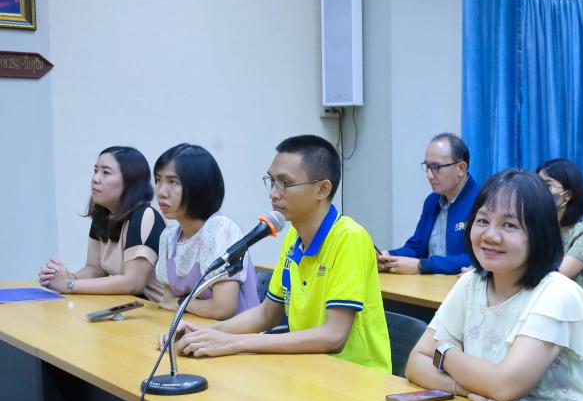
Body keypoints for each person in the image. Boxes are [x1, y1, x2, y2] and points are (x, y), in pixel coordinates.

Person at [405, 169, 583, 401]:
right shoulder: (471, 283)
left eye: (509, 225)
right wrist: (464, 389)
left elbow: (502, 385)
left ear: (539, 233)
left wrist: (443, 352)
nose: (490, 235)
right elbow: (415, 363)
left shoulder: (557, 293)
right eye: (482, 221)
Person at [166, 135, 391, 373]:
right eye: (271, 181)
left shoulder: (349, 237)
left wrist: (234, 343)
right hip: (309, 369)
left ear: (322, 189)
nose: (273, 193)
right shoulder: (293, 237)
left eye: (284, 183)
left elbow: (333, 336)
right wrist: (206, 332)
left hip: (356, 377)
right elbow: (267, 314)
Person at [38, 146, 165, 300]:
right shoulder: (104, 213)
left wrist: (69, 285)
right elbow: (95, 268)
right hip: (130, 305)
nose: (95, 179)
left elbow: (133, 283)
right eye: (95, 171)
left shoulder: (145, 215)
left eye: (106, 173)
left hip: (158, 308)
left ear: (130, 181)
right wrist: (66, 277)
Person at [153, 143, 259, 319]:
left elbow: (222, 308)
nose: (161, 192)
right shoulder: (169, 236)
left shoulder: (221, 230)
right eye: (158, 180)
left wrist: (181, 303)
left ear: (199, 186)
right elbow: (167, 301)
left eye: (173, 182)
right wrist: (180, 305)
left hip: (234, 332)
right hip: (190, 327)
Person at [377, 133, 478, 274]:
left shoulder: (483, 202)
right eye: (427, 167)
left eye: (436, 167)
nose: (429, 175)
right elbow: (416, 247)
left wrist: (423, 265)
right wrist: (389, 256)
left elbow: (477, 258)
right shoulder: (432, 201)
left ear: (461, 168)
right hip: (428, 284)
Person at [537, 158, 583, 294]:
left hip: (582, 303)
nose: (540, 191)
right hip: (546, 298)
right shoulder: (540, 228)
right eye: (538, 185)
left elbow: (558, 276)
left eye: (547, 185)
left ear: (567, 195)